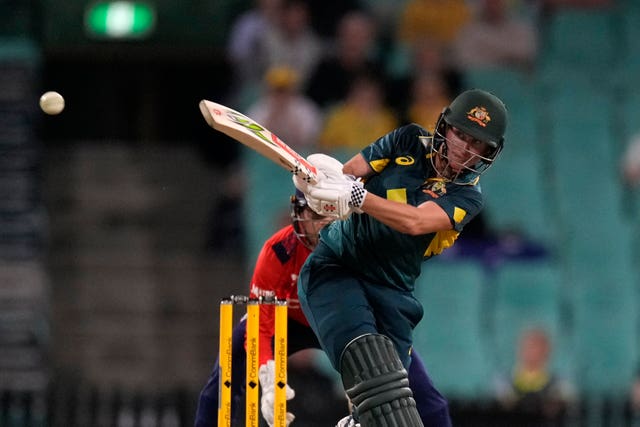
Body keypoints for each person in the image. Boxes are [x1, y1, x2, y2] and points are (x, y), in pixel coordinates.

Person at [293, 88, 508, 426]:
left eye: (477, 143)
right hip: (338, 267)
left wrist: (359, 197)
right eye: (461, 135)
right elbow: (350, 172)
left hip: (393, 292)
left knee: (395, 405)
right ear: (445, 127)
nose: (464, 148)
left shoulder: (467, 196)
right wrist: (323, 183)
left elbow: (415, 221)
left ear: (488, 152)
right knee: (370, 364)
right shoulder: (408, 140)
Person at [194, 191, 452, 427]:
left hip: (342, 322)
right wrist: (266, 372)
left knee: (423, 394)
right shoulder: (278, 251)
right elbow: (261, 322)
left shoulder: (361, 247)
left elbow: (385, 306)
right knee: (222, 380)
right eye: (316, 215)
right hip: (289, 321)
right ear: (300, 214)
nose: (323, 225)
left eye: (331, 216)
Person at [493, 327, 576, 424]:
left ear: (547, 351)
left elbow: (568, 407)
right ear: (520, 349)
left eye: (538, 347)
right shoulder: (503, 382)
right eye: (529, 346)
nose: (533, 351)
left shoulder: (561, 384)